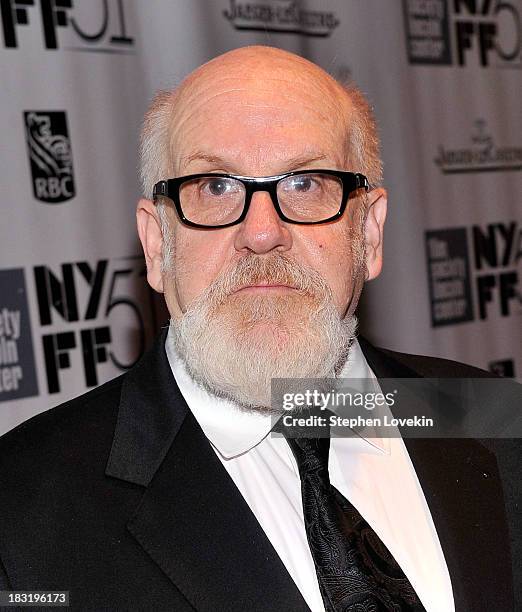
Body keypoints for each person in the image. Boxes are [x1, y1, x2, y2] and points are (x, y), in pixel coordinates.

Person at [0, 46, 519, 612]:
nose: (263, 231)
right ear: (156, 245)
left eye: (306, 184)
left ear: (368, 234)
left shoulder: (496, 422)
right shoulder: (22, 512)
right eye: (215, 188)